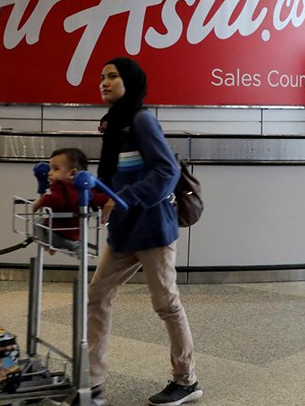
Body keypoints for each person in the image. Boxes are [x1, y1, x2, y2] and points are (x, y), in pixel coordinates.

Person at [88, 57, 201, 406]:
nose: (104, 82)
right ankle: (91, 382)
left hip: (153, 230)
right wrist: (93, 195)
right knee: (97, 296)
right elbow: (111, 178)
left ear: (131, 81)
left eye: (113, 76)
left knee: (166, 304)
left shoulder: (141, 120)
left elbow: (166, 171)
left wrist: (123, 199)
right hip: (123, 232)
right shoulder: (113, 125)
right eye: (102, 77)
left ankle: (187, 381)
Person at [31, 147, 108, 254]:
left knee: (38, 222)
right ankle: (70, 246)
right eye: (50, 169)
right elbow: (99, 199)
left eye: (55, 169)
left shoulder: (61, 186)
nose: (50, 173)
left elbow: (57, 200)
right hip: (76, 235)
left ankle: (49, 246)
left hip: (55, 233)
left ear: (72, 173)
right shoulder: (87, 189)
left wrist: (40, 202)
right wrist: (110, 202)